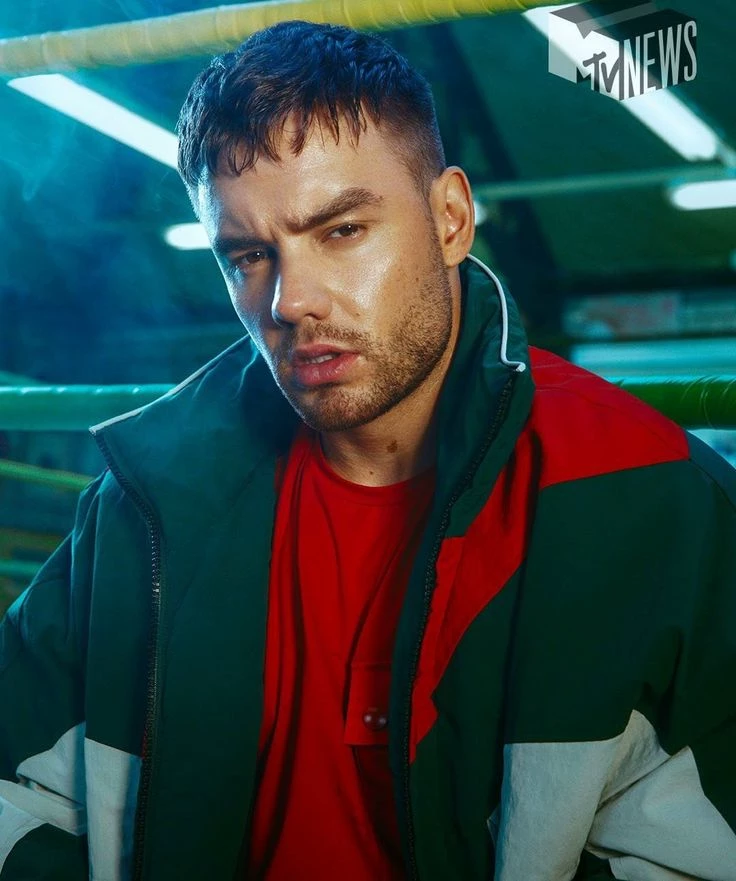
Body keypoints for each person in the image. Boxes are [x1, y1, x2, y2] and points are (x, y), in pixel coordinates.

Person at [1, 19, 735, 881]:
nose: (291, 301)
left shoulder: (647, 497)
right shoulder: (142, 505)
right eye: (248, 255)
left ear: (450, 218)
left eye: (342, 229)